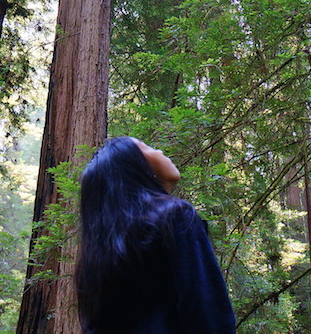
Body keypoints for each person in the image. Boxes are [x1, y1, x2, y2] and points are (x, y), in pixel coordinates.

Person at [75, 136, 236, 333]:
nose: (159, 151)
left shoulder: (95, 258)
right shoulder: (175, 216)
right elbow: (209, 313)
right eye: (147, 147)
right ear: (134, 166)